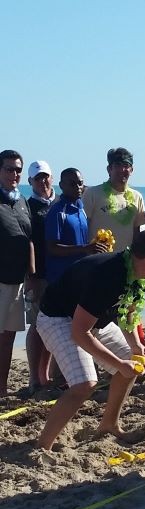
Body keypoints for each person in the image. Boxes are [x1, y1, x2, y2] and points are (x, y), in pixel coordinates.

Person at [35, 229, 145, 451]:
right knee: (85, 384)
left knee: (133, 359)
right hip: (58, 318)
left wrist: (135, 344)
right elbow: (80, 333)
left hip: (92, 320)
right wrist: (119, 365)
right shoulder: (108, 276)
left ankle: (108, 425)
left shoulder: (135, 271)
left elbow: (126, 312)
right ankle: (43, 447)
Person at [0, 149, 33, 397]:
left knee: (8, 339)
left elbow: (28, 240)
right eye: (9, 168)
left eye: (18, 169)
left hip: (17, 281)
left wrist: (31, 274)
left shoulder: (21, 201)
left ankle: (1, 389)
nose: (14, 174)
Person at [24, 161, 54, 394]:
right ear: (30, 182)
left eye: (46, 177)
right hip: (39, 274)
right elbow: (28, 243)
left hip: (60, 274)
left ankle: (46, 376)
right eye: (38, 178)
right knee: (37, 325)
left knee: (53, 325)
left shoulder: (59, 203)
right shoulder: (28, 206)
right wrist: (31, 274)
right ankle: (35, 377)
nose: (43, 181)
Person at [82, 148, 145, 252]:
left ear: (132, 170)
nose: (122, 169)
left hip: (126, 259)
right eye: (118, 165)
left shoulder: (137, 197)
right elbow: (83, 228)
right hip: (98, 259)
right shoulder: (92, 193)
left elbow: (137, 232)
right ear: (109, 169)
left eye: (126, 165)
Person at [45, 168, 103, 283]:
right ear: (61, 185)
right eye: (72, 184)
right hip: (61, 277)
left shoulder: (81, 209)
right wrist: (85, 248)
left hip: (80, 274)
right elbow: (52, 248)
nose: (78, 187)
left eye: (80, 183)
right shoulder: (57, 212)